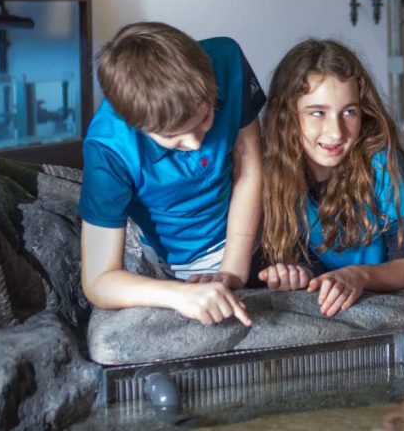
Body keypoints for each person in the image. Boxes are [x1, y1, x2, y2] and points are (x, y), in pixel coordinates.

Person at [79, 22, 265, 326]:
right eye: (174, 138)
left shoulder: (227, 58)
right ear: (137, 126)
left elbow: (248, 164)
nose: (195, 143)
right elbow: (98, 280)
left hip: (254, 231)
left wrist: (233, 272)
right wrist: (179, 295)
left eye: (206, 117)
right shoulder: (108, 149)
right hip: (181, 264)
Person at [257, 39, 404, 316]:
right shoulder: (271, 178)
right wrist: (293, 274)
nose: (336, 132)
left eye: (349, 111)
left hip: (387, 304)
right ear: (285, 114)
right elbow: (302, 267)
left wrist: (358, 276)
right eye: (317, 113)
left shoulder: (381, 164)